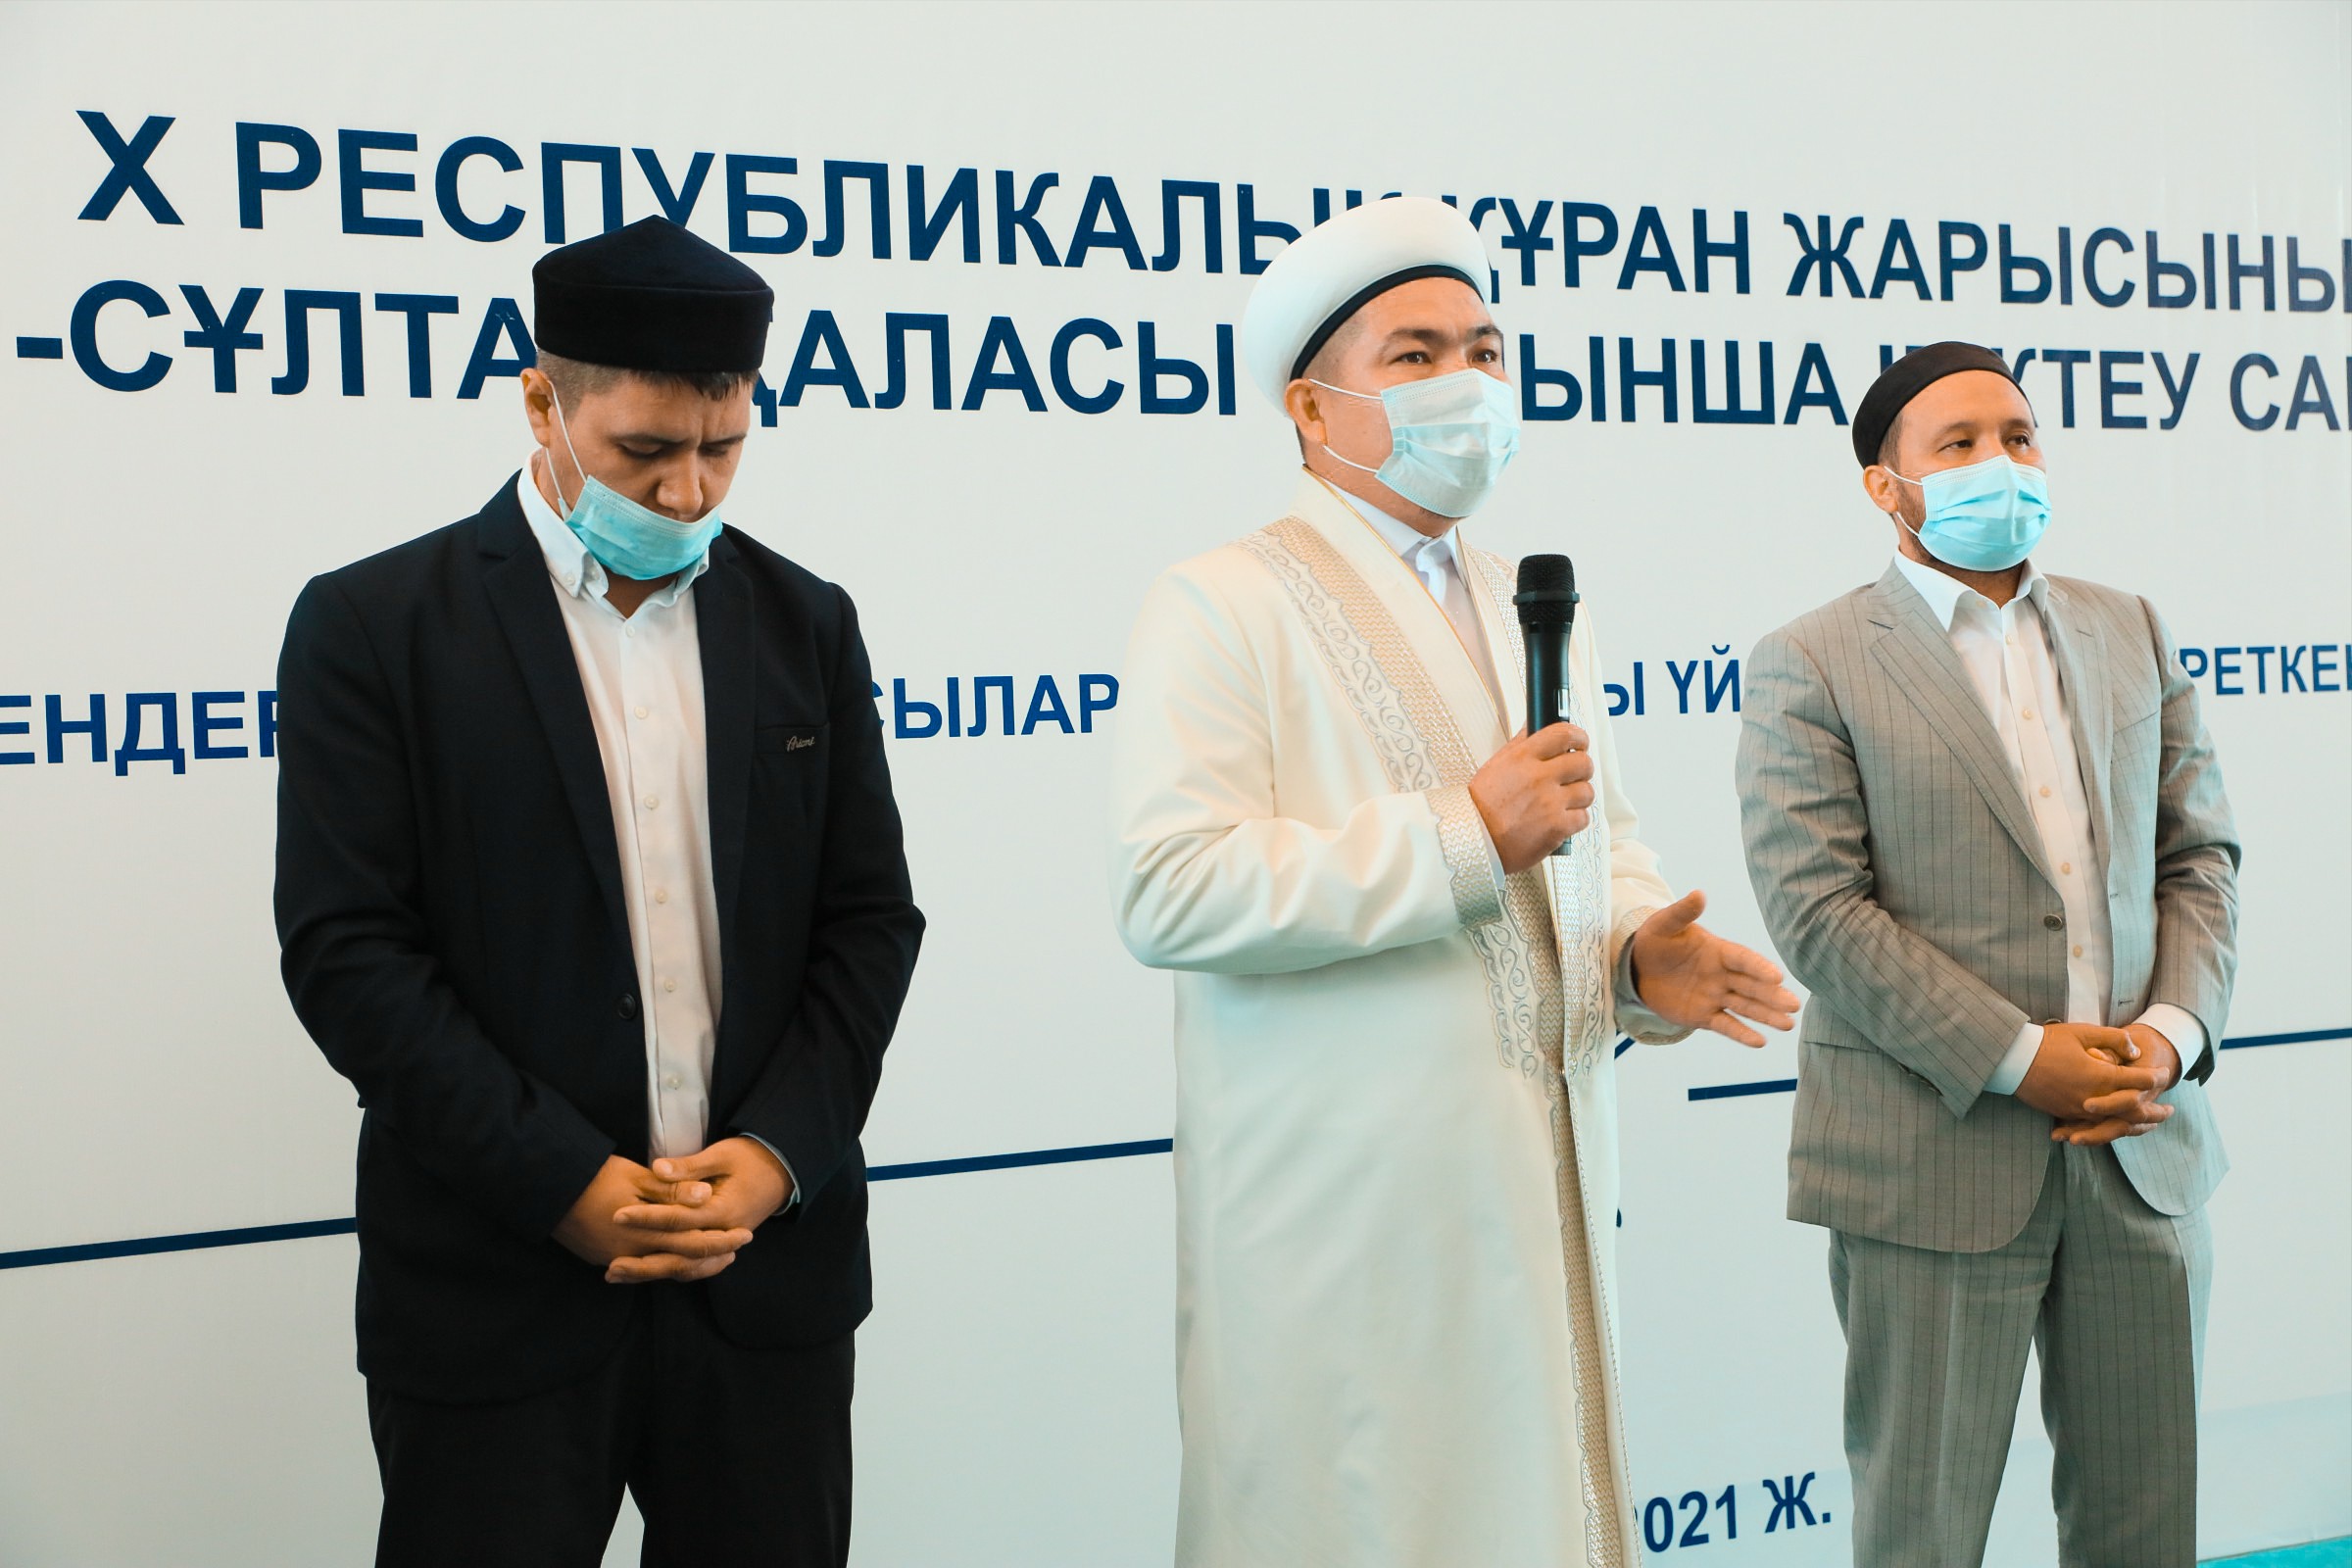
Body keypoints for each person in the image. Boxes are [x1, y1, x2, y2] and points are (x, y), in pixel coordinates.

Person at [1106, 195, 1799, 1567]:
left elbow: (1595, 834)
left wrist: (1634, 953)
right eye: (1415, 356)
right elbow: (1171, 888)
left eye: (1485, 350)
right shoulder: (1221, 601)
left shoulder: (1531, 598)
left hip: (1535, 1186)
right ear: (1313, 409)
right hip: (1343, 1216)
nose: (1466, 382)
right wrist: (1463, 835)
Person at [273, 216, 923, 1568]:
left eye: (724, 446)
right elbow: (350, 952)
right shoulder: (377, 626)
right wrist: (560, 1179)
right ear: (541, 404)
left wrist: (778, 1156)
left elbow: (869, 921)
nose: (688, 492)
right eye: (645, 450)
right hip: (496, 1289)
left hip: (767, 1294)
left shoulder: (808, 622)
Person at [1735, 341, 2239, 1567]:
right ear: (1885, 485)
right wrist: (2021, 1058)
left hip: (2140, 1145)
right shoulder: (1812, 659)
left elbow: (2199, 859)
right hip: (1932, 1162)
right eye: (1956, 444)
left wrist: (2168, 1040)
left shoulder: (2131, 627)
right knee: (1924, 1529)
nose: (1998, 463)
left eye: (2017, 436)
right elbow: (1819, 910)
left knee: (2145, 1528)